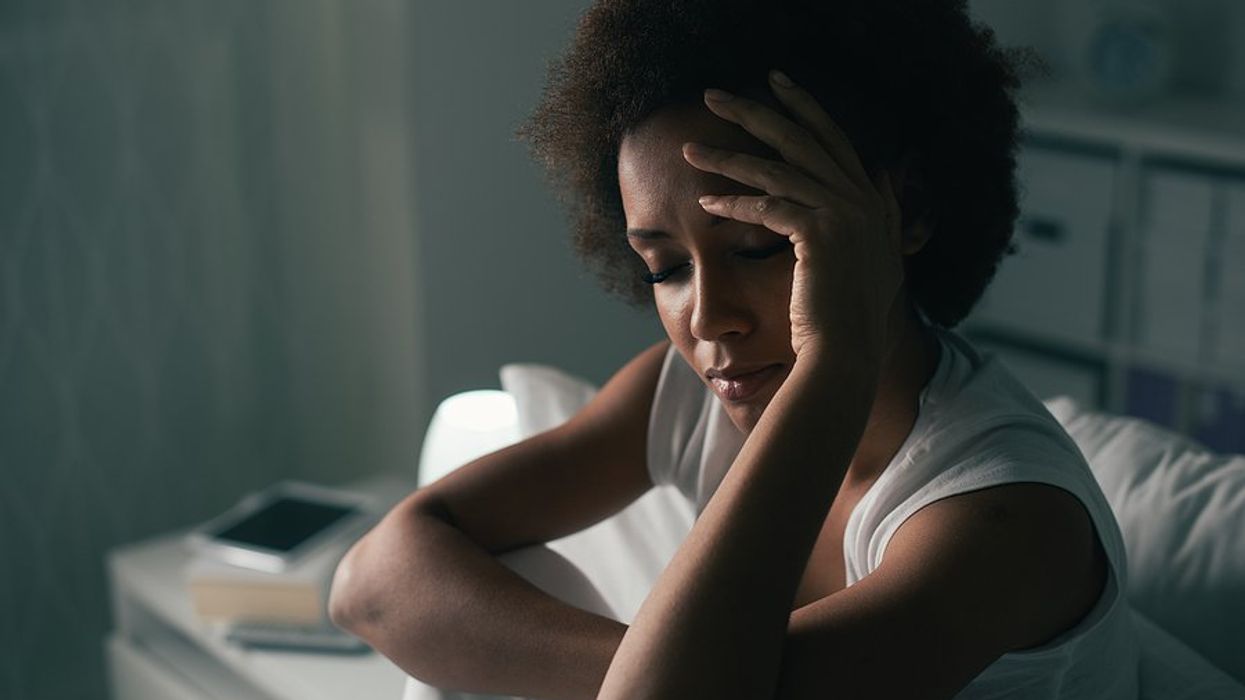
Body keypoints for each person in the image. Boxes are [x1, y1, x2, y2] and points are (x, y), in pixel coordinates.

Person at [328, 0, 1140, 697]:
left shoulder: (1002, 521)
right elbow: (369, 583)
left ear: (905, 215)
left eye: (756, 247)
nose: (707, 319)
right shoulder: (683, 396)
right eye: (667, 267)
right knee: (504, 589)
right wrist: (648, 673)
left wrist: (835, 361)